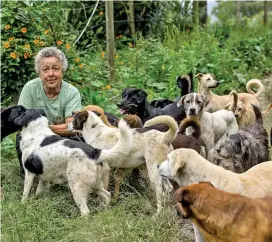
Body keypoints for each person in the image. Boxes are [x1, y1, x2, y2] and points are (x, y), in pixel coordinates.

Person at [18, 46, 82, 135]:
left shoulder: (72, 93)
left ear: (63, 71)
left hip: (63, 140)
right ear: (39, 73)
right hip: (34, 137)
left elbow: (71, 128)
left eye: (55, 68)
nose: (51, 74)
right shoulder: (30, 88)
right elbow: (22, 122)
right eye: (45, 69)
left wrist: (42, 127)